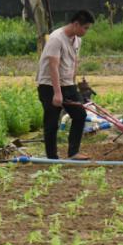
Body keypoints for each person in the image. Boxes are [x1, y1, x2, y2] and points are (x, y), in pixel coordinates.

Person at [36, 9, 95, 160]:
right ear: (76, 24)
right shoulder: (56, 38)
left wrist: (75, 84)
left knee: (80, 115)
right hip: (49, 85)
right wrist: (57, 93)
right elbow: (53, 66)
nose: (86, 31)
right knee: (52, 121)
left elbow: (74, 62)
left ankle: (73, 152)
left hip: (68, 84)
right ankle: (52, 157)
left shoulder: (77, 40)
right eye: (85, 28)